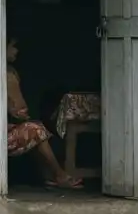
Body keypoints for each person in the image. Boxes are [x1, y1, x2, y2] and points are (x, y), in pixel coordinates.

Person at [6, 37, 82, 190]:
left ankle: (50, 176)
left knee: (34, 130)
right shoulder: (7, 74)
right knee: (36, 129)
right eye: (13, 46)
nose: (17, 51)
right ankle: (59, 175)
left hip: (1, 130)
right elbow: (20, 110)